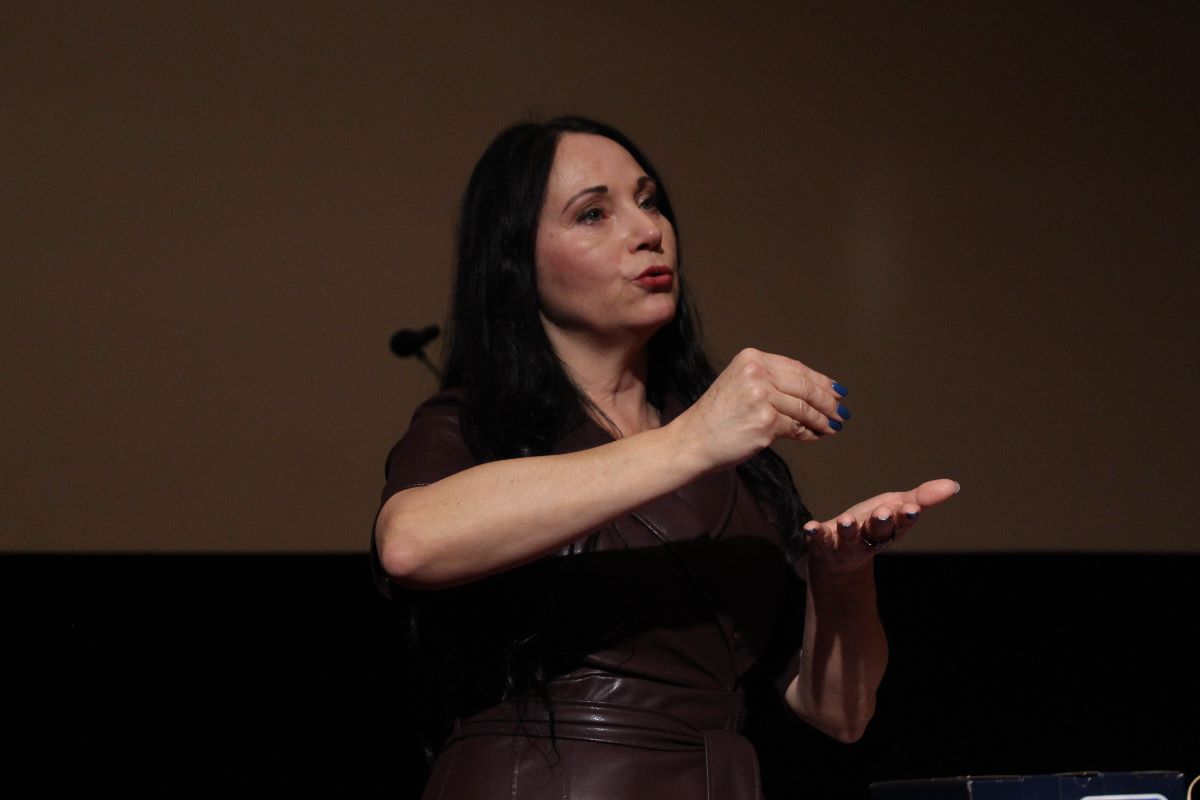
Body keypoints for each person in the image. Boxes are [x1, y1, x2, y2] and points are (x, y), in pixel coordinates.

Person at [372, 116, 959, 799]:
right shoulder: (477, 421)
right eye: (593, 213)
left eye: (649, 201)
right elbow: (410, 543)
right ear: (516, 261)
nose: (648, 230)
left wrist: (842, 574)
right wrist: (690, 441)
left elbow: (840, 713)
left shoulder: (733, 459)